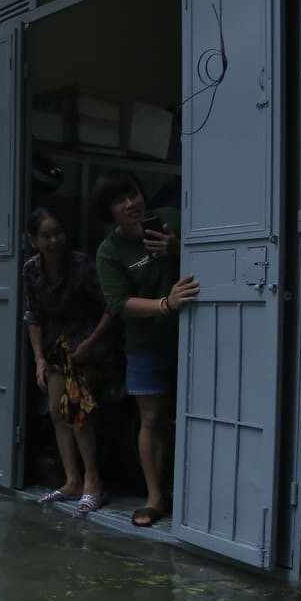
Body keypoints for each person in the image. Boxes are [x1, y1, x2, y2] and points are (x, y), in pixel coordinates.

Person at [93, 170, 200, 528]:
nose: (130, 204)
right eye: (120, 201)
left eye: (133, 194)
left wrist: (177, 248)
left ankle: (199, 494)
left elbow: (207, 257)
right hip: (147, 344)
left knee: (199, 413)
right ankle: (154, 497)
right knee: (152, 418)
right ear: (109, 213)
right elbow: (120, 303)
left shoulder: (170, 221)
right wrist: (165, 305)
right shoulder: (109, 252)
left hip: (195, 336)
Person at [23, 207, 122, 514]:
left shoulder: (82, 265)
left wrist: (90, 345)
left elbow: (110, 307)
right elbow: (33, 315)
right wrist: (39, 358)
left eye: (58, 233)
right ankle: (72, 481)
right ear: (33, 241)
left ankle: (94, 483)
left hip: (87, 347)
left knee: (77, 411)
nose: (54, 240)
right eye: (46, 235)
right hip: (56, 350)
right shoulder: (31, 270)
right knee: (55, 411)